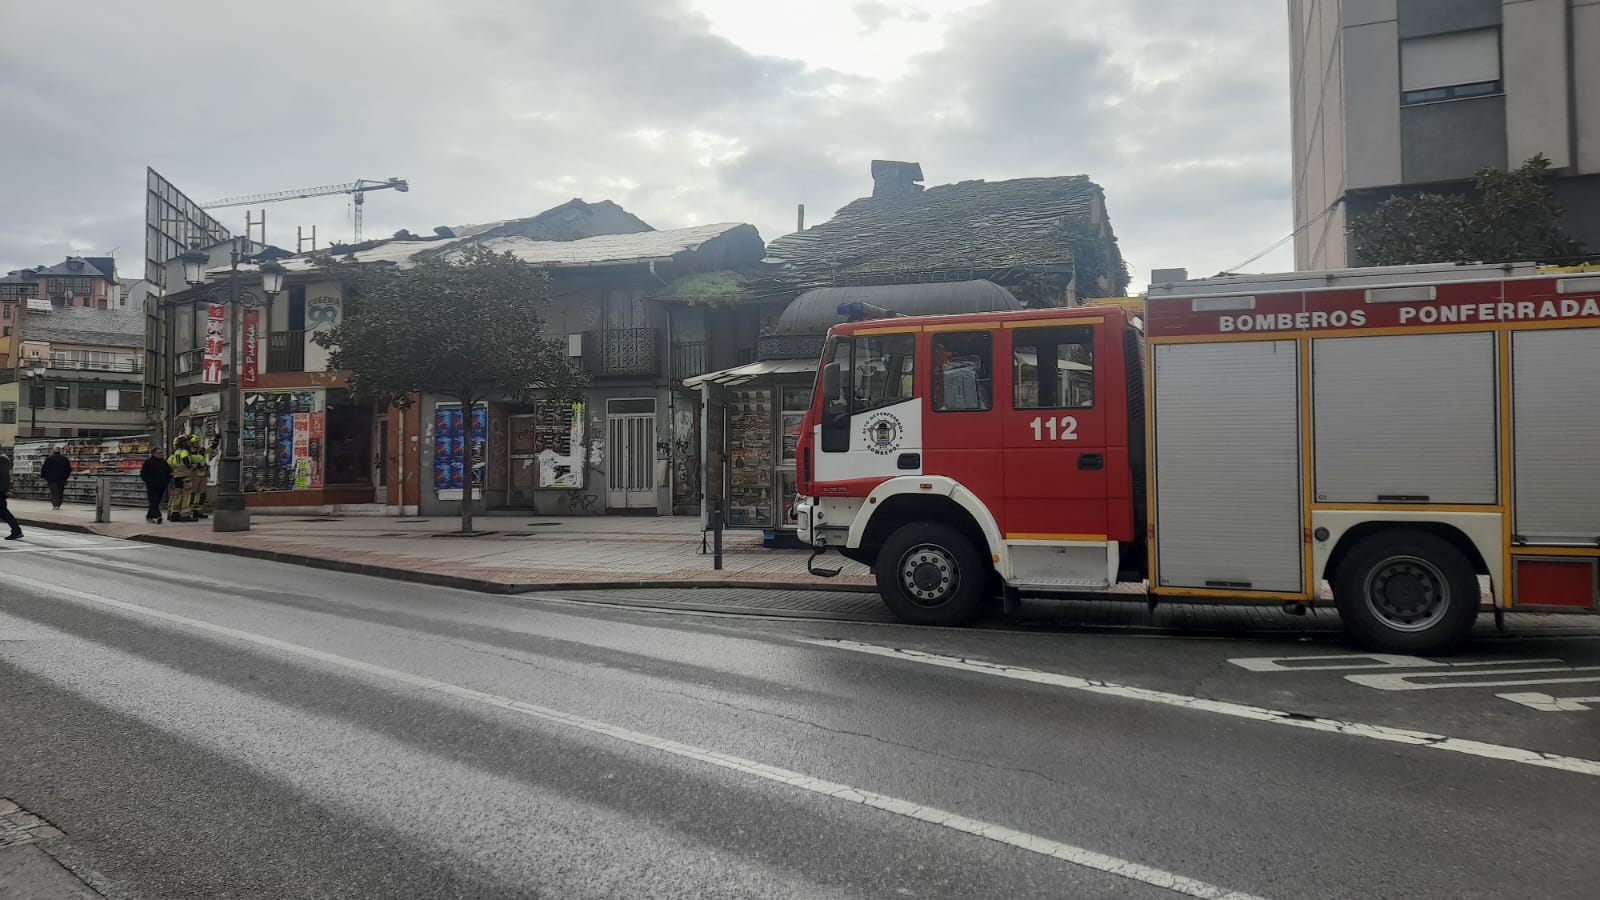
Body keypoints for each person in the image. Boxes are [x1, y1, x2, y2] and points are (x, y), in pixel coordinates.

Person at [141, 446, 172, 524]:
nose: (161, 454)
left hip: (161, 486)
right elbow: (143, 474)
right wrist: (149, 482)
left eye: (161, 452)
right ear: (154, 453)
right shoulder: (148, 462)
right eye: (159, 452)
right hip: (151, 486)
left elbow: (169, 472)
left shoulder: (164, 462)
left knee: (156, 501)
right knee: (153, 500)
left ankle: (149, 516)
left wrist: (167, 481)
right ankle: (158, 516)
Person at [0, 452, 21, 540]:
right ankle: (16, 530)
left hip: (0, 491)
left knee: (3, 512)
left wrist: (4, 490)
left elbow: (4, 476)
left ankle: (16, 530)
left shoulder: (2, 459)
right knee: (3, 512)